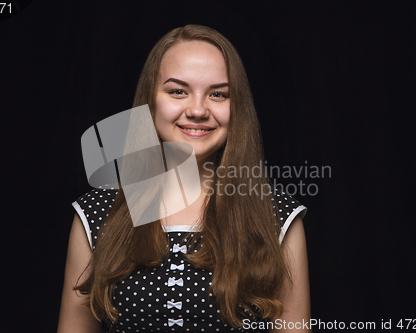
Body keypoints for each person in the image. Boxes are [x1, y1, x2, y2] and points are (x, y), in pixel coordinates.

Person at [57, 24, 311, 333]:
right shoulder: (97, 213)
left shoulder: (277, 217)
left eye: (218, 94)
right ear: (150, 99)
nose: (198, 110)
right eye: (178, 91)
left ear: (237, 107)